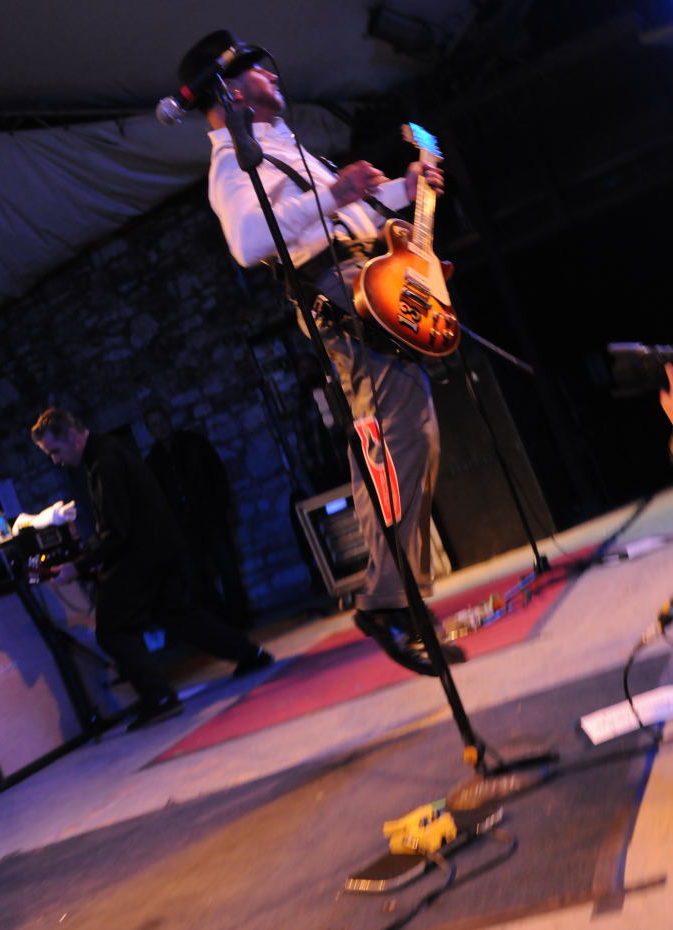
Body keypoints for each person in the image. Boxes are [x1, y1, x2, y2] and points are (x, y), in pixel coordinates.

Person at [171, 30, 465, 675]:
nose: (272, 75)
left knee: (404, 440)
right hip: (339, 294)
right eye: (255, 70)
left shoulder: (281, 147)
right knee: (397, 440)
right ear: (228, 91)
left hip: (365, 278)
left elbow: (351, 219)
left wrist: (405, 189)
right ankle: (390, 603)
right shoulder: (232, 164)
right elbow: (249, 242)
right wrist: (335, 193)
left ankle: (400, 602)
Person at [31, 409, 273, 731]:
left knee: (112, 630)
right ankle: (251, 654)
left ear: (73, 436)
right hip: (160, 548)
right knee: (177, 614)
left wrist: (79, 566)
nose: (55, 460)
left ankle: (159, 698)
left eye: (55, 451)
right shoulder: (107, 453)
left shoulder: (104, 462)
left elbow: (115, 529)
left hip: (143, 555)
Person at [143, 404, 252, 627]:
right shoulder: (154, 462)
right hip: (184, 527)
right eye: (154, 425)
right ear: (150, 430)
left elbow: (217, 475)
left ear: (168, 420)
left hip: (209, 516)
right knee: (198, 577)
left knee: (227, 567)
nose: (160, 428)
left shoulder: (193, 444)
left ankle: (240, 617)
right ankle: (221, 623)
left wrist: (223, 507)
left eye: (161, 422)